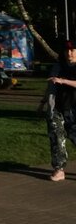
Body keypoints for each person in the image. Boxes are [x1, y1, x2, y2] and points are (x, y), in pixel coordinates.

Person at [42, 39, 76, 181]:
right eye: (67, 50)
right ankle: (59, 169)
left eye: (72, 50)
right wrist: (43, 103)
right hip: (58, 108)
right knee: (56, 136)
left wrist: (63, 81)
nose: (69, 53)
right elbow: (51, 86)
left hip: (74, 109)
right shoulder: (58, 67)